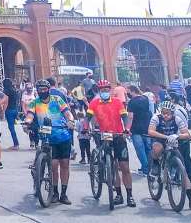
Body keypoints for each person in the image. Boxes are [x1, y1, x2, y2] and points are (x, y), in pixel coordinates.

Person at [25, 78, 75, 204]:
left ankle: (63, 193)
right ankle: (54, 192)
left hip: (63, 136)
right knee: (53, 166)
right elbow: (30, 115)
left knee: (64, 164)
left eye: (44, 89)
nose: (42, 91)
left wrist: (70, 120)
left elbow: (67, 112)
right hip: (47, 138)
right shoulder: (34, 103)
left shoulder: (57, 100)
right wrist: (28, 122)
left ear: (48, 90)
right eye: (40, 89)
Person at [86, 79, 135, 207]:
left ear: (110, 90)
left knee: (124, 167)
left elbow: (124, 116)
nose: (105, 92)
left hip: (118, 135)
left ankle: (130, 196)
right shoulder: (94, 103)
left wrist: (127, 129)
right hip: (103, 136)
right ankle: (118, 194)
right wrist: (86, 128)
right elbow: (88, 117)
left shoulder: (118, 102)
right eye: (102, 90)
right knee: (112, 167)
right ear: (99, 91)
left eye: (107, 90)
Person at [147, 100, 191, 211]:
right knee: (157, 147)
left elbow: (186, 134)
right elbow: (150, 132)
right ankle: (156, 164)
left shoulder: (177, 119)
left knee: (183, 170)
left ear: (173, 113)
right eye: (164, 113)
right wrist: (165, 136)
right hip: (160, 138)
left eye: (168, 113)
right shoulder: (156, 118)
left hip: (173, 140)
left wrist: (177, 136)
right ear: (160, 112)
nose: (166, 115)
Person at [126, 85, 152, 175]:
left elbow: (130, 117)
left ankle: (145, 168)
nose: (127, 93)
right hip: (147, 127)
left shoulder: (131, 102)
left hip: (136, 128)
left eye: (128, 91)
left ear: (132, 91)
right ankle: (151, 167)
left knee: (140, 149)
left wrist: (127, 129)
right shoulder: (145, 98)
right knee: (148, 148)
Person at [2, 78, 21, 149]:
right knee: (16, 125)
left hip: (9, 110)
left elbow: (6, 102)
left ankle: (16, 144)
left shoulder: (6, 91)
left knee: (11, 128)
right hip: (15, 109)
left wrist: (3, 111)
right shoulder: (15, 90)